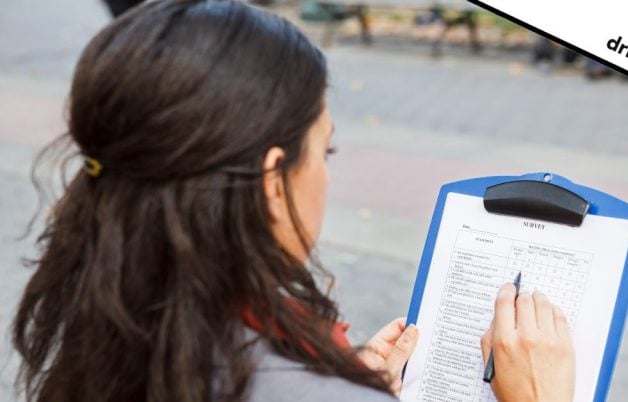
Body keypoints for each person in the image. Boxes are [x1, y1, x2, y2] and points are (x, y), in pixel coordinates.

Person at [11, 1, 575, 401]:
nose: (328, 174)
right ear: (272, 182)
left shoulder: (107, 326)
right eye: (324, 151)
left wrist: (331, 376)